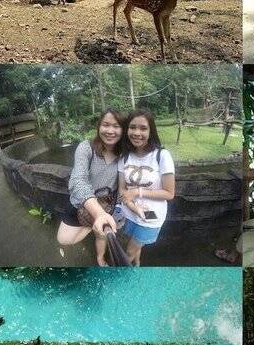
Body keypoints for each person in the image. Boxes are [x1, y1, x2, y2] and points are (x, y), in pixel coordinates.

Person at [57, 109, 125, 267]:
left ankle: (100, 258)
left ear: (123, 130)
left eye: (116, 126)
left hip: (107, 204)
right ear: (98, 126)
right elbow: (78, 180)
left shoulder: (124, 154)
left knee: (101, 234)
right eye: (105, 125)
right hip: (82, 203)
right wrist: (98, 214)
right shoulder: (86, 148)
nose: (110, 131)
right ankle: (92, 227)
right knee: (64, 239)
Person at [117, 109, 175, 266]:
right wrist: (133, 207)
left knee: (129, 251)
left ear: (151, 131)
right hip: (130, 211)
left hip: (151, 214)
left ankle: (118, 276)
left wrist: (137, 191)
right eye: (132, 127)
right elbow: (122, 190)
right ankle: (137, 264)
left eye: (143, 128)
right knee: (134, 245)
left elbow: (169, 193)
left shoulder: (162, 156)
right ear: (127, 130)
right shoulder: (124, 156)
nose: (137, 133)